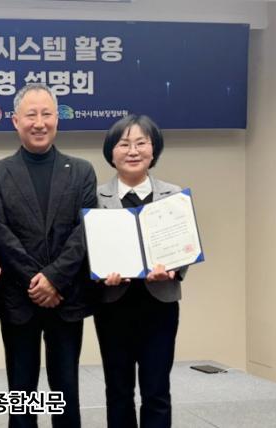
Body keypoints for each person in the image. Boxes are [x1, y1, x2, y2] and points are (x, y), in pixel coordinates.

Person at [0, 83, 97, 427]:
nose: (39, 122)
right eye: (31, 114)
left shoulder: (82, 171)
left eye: (47, 114)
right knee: (21, 391)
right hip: (19, 299)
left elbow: (84, 232)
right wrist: (37, 281)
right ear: (15, 121)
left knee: (66, 390)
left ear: (57, 118)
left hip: (67, 297)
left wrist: (54, 279)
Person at [95, 114, 187, 428]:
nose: (132, 151)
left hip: (160, 303)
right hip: (113, 304)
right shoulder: (96, 197)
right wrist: (100, 275)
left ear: (153, 149)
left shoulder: (173, 195)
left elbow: (184, 245)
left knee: (156, 389)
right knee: (118, 389)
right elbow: (87, 248)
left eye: (141, 143)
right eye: (124, 144)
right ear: (111, 152)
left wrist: (174, 269)